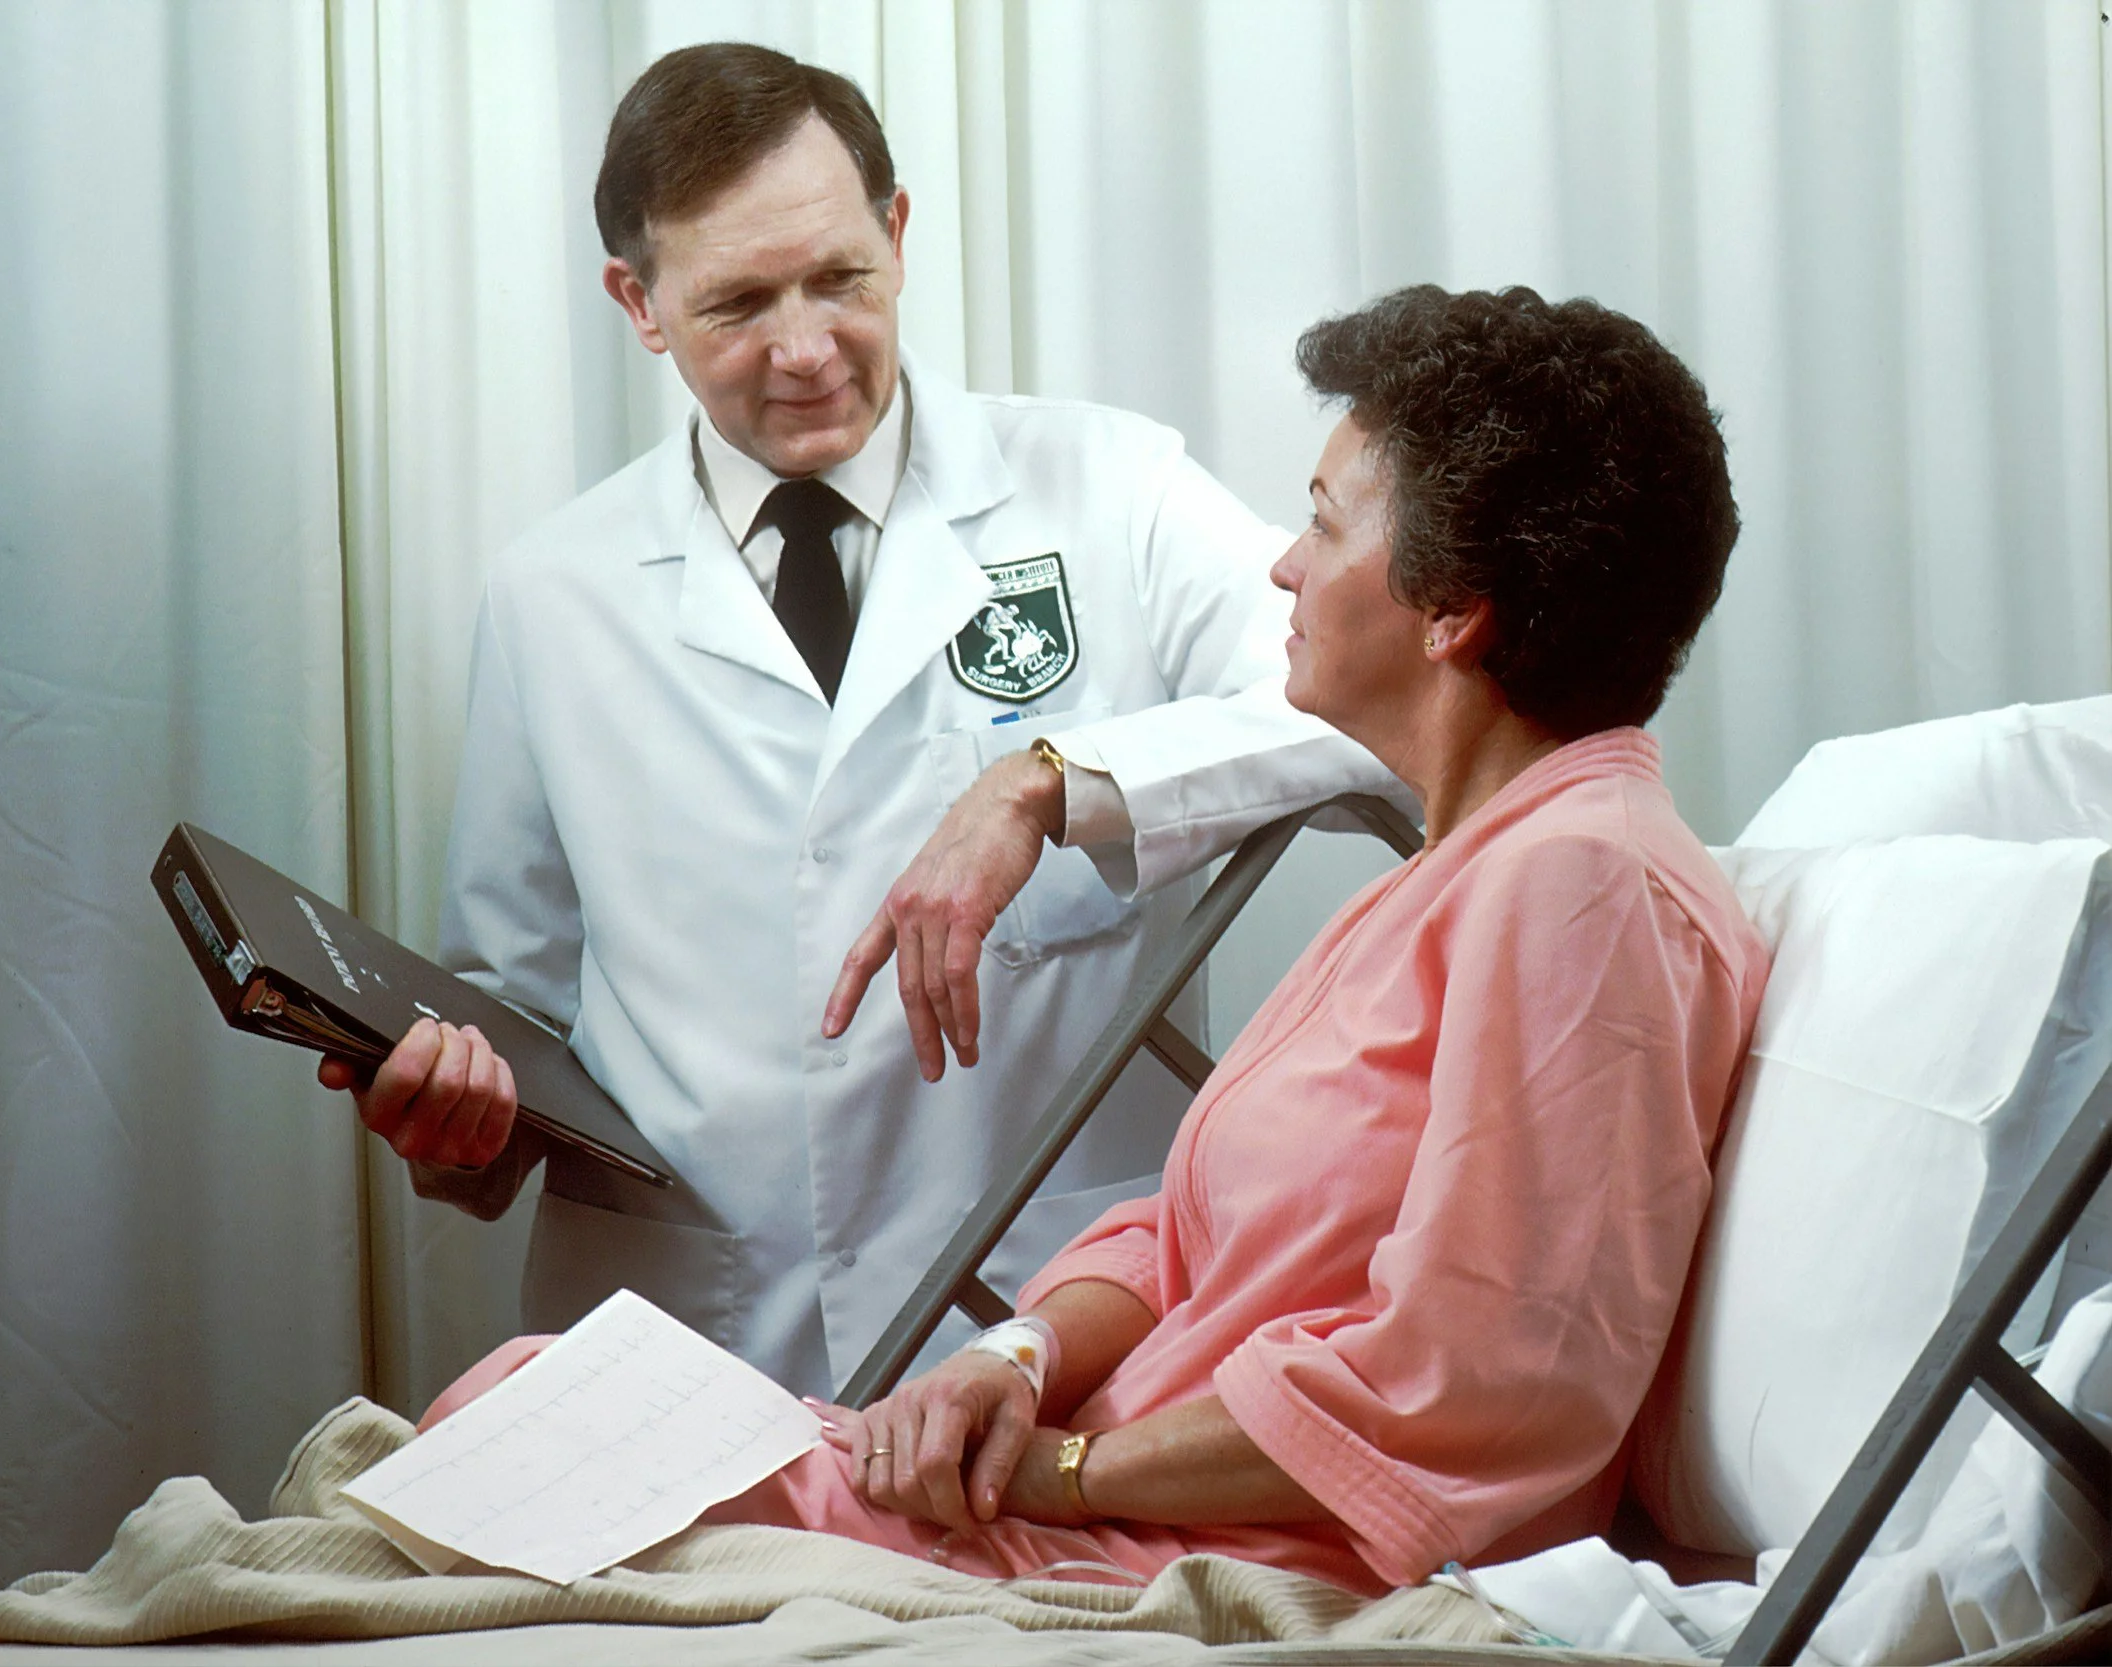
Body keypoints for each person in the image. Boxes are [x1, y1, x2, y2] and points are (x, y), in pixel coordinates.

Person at [418, 284, 1773, 1594]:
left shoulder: (1583, 887)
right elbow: (1183, 1236)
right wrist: (1008, 1358)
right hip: (1088, 1489)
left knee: (518, 1444)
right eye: (736, 300)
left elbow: (1469, 1388)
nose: (1283, 564)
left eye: (1322, 522)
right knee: (532, 1403)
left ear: (1451, 612)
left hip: (1201, 1547)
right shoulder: (1455, 874)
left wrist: (1062, 1471)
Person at [322, 42, 1401, 1397]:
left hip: (1047, 1334)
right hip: (695, 1351)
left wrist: (1047, 779)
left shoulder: (1110, 488)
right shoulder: (554, 595)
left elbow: (1379, 699)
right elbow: (512, 1006)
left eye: (841, 279)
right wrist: (453, 1121)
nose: (806, 349)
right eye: (736, 305)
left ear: (897, 233)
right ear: (638, 304)